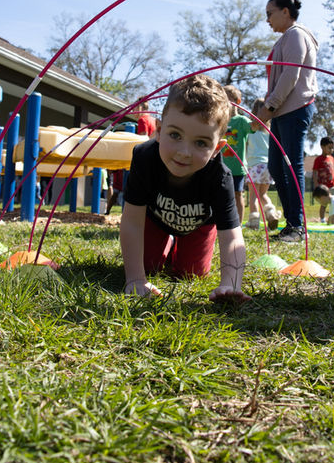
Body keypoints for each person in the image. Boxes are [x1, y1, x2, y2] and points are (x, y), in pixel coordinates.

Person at [119, 74, 251, 302]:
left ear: (217, 148)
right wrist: (136, 280)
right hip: (154, 220)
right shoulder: (144, 158)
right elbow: (131, 221)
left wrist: (231, 284)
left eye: (201, 143)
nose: (184, 152)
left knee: (192, 273)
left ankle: (179, 247)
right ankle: (167, 242)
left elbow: (232, 237)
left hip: (199, 225)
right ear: (158, 130)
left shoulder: (220, 177)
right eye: (175, 135)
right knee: (149, 266)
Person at [258, 0, 318, 242]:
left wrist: (269, 106)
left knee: (292, 165)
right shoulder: (286, 38)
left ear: (285, 11)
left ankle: (297, 226)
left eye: (269, 13)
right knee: (276, 165)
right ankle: (291, 223)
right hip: (282, 110)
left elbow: (291, 75)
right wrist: (269, 104)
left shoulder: (296, 34)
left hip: (294, 108)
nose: (267, 20)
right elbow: (279, 77)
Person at [245, 98, 281, 231]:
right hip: (267, 166)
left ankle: (254, 222)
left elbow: (246, 146)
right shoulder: (270, 131)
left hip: (254, 165)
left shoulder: (250, 130)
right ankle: (271, 214)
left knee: (254, 196)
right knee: (263, 194)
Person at [221, 85, 252, 225]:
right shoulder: (221, 121)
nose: (225, 102)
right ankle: (220, 222)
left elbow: (253, 128)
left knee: (237, 193)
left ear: (237, 101)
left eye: (229, 98)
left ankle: (238, 224)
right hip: (221, 165)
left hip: (237, 167)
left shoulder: (241, 121)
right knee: (220, 195)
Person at [312, 136, 334, 222]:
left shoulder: (331, 158)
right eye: (329, 148)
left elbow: (332, 170)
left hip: (333, 185)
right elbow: (315, 172)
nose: (331, 150)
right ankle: (322, 219)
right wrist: (316, 185)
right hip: (324, 187)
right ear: (322, 147)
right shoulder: (318, 159)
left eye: (332, 148)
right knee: (324, 204)